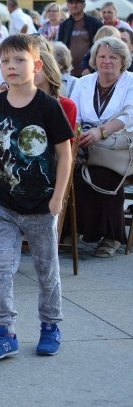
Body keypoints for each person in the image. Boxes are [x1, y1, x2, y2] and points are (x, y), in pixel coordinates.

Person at [0, 33, 73, 359]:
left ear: (37, 66)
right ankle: (5, 332)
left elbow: (65, 154)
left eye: (20, 60)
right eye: (6, 61)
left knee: (47, 271)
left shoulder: (48, 107)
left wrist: (57, 198)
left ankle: (50, 325)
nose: (12, 66)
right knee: (0, 269)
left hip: (42, 206)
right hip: (4, 207)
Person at [71, 36, 133, 258]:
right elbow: (74, 114)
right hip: (85, 143)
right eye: (102, 56)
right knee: (71, 172)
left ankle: (111, 236)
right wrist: (78, 137)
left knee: (104, 175)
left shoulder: (131, 81)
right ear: (95, 59)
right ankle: (76, 229)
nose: (106, 61)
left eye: (113, 57)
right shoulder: (83, 82)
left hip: (118, 148)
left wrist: (101, 131)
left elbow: (128, 115)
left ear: (123, 60)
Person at [58, 0, 103, 76]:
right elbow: (60, 48)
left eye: (77, 2)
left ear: (84, 5)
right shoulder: (64, 25)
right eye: (71, 3)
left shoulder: (95, 24)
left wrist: (90, 67)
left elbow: (101, 46)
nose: (74, 5)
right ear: (67, 6)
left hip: (90, 70)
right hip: (69, 71)